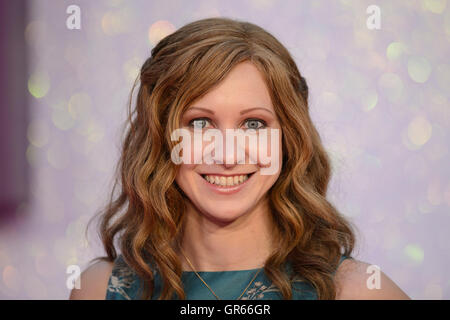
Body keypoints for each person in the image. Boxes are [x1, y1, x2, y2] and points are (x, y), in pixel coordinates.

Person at [70, 17, 410, 300]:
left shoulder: (357, 292)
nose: (228, 155)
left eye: (253, 124)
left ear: (287, 140)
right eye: (200, 123)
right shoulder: (99, 290)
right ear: (161, 138)